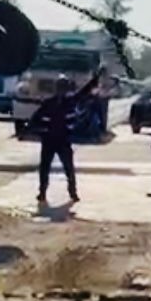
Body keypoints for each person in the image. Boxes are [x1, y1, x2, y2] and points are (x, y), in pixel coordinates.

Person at [29, 68, 102, 203]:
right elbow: (35, 120)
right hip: (50, 140)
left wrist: (95, 79)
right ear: (56, 88)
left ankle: (72, 193)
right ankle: (43, 192)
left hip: (63, 140)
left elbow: (84, 92)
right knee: (46, 168)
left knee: (68, 168)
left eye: (63, 87)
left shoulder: (70, 101)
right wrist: (39, 131)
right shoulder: (50, 103)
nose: (61, 90)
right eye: (60, 87)